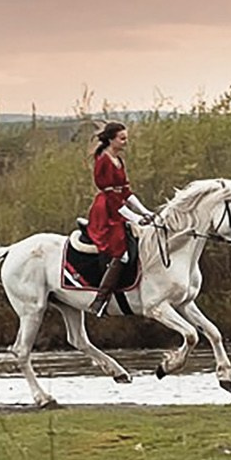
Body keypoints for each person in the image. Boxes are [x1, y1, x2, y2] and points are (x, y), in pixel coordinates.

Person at [85, 121, 155, 315]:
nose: (126, 142)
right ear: (111, 139)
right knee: (121, 253)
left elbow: (125, 191)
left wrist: (145, 211)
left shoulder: (118, 161)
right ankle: (101, 299)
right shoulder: (103, 161)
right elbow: (112, 197)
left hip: (118, 207)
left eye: (126, 138)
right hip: (106, 211)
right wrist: (133, 217)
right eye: (122, 138)